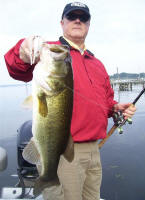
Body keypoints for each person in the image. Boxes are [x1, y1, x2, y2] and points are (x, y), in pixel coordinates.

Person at [4, 2, 136, 200]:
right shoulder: (49, 51)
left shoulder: (97, 63)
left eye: (83, 18)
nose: (77, 20)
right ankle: (48, 177)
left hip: (94, 152)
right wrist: (24, 49)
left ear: (88, 25)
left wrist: (115, 107)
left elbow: (105, 101)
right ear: (62, 22)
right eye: (72, 16)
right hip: (62, 152)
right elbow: (16, 68)